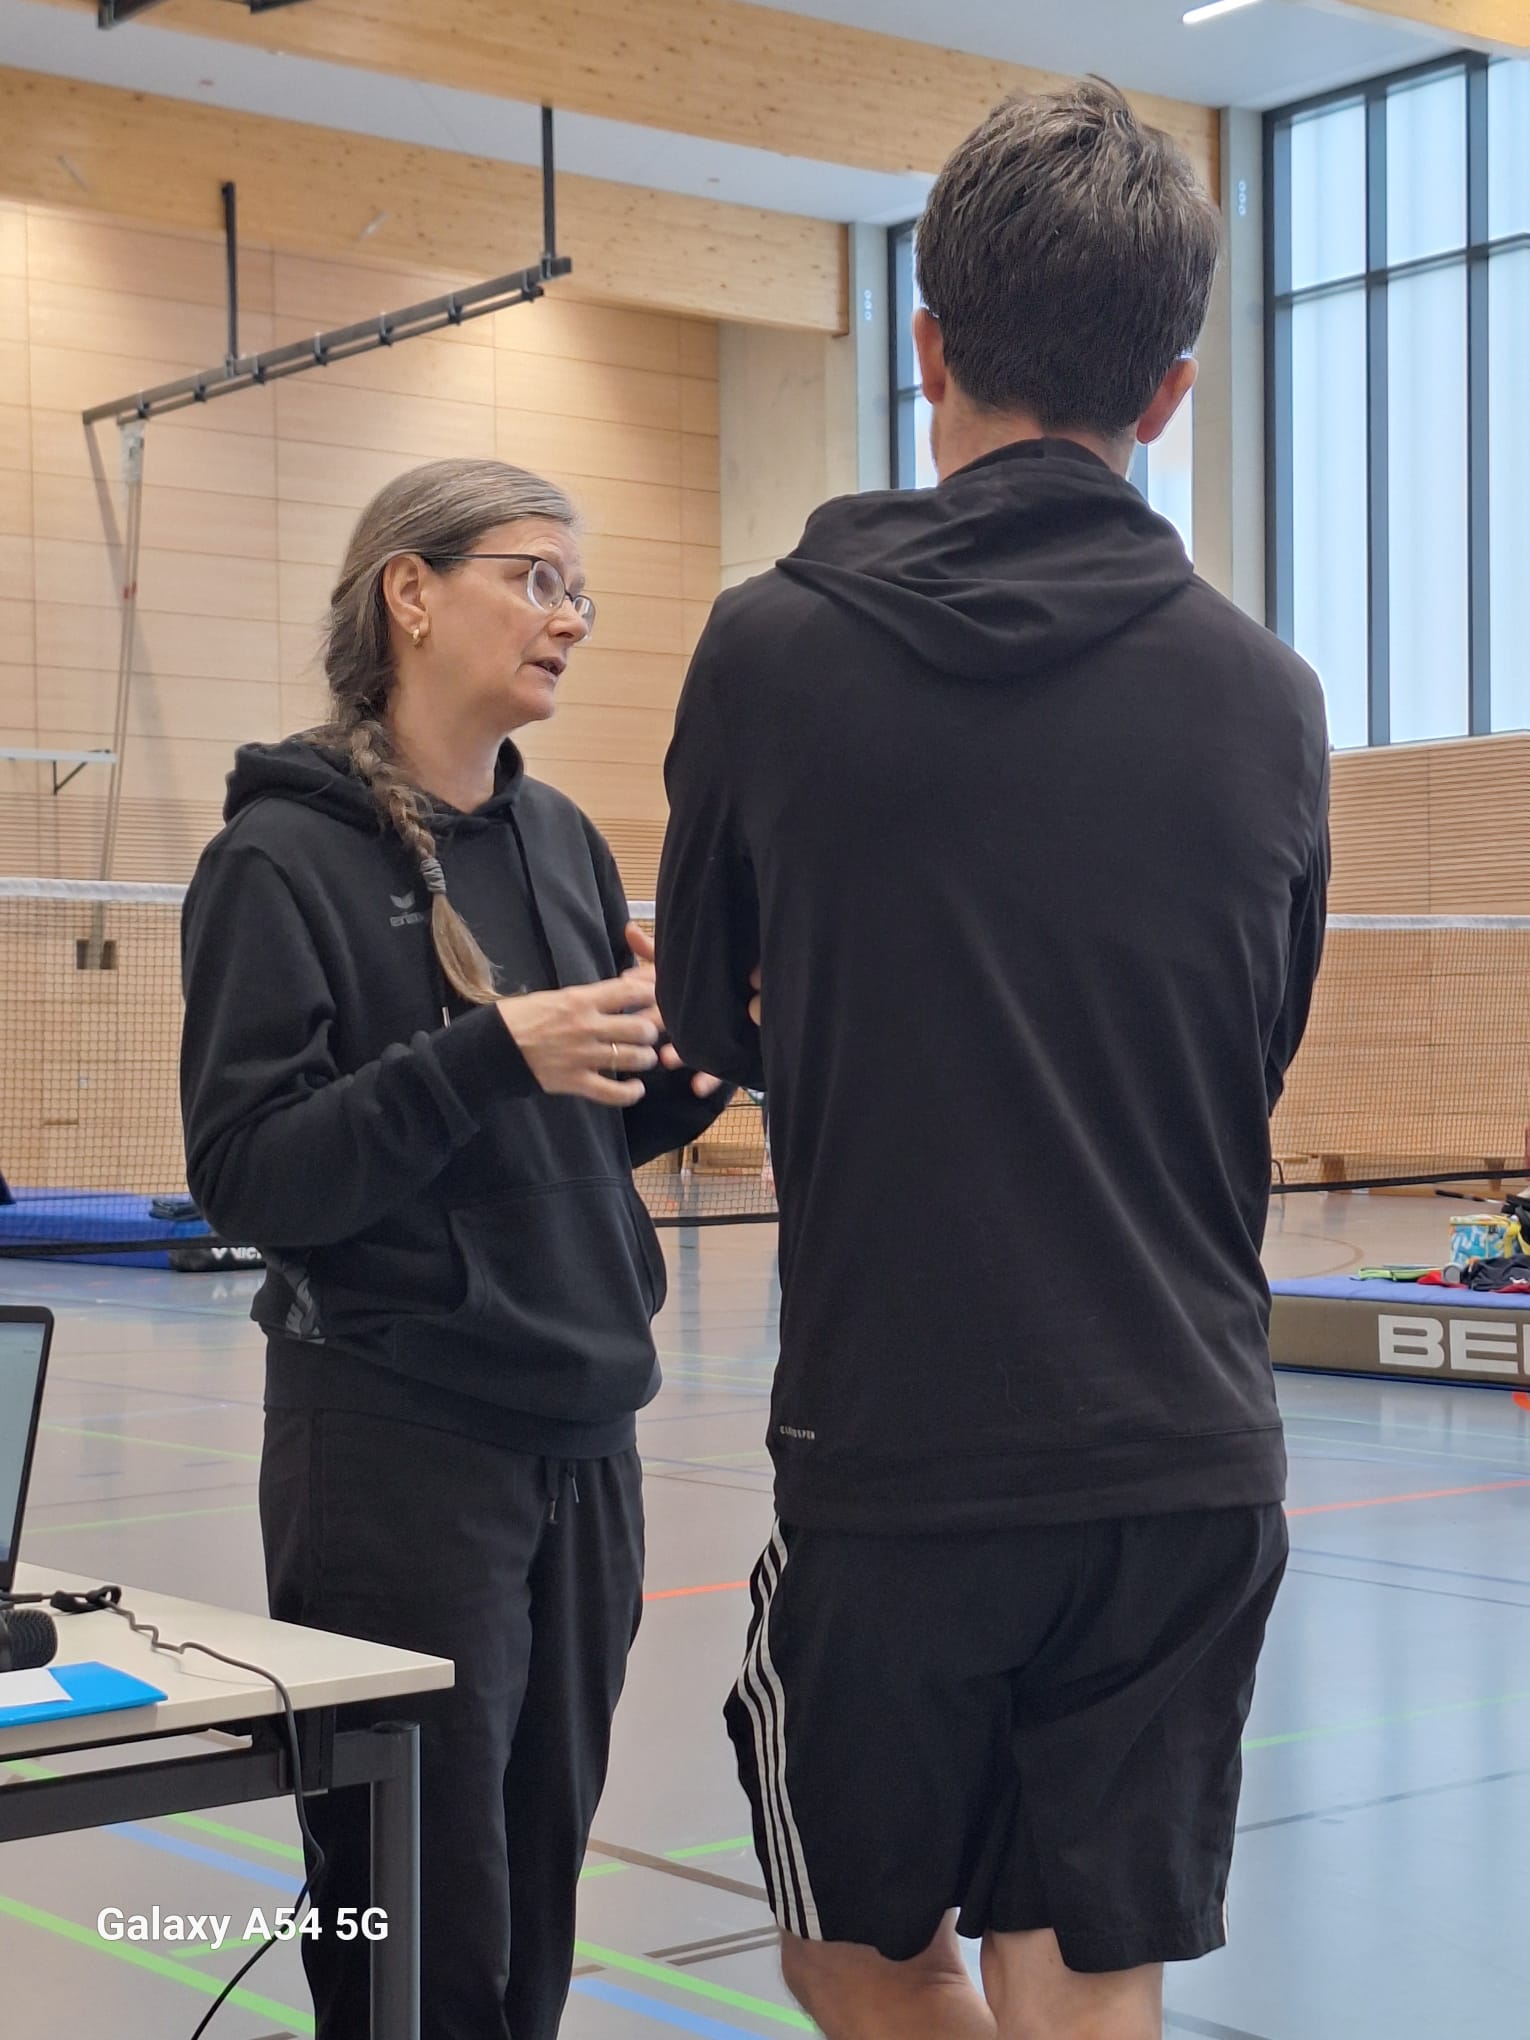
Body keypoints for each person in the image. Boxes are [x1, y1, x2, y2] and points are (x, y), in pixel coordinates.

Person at [656, 81, 1329, 2040]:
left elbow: (708, 1022)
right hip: (1185, 1453)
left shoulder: (769, 649)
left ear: (927, 346)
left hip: (905, 1457)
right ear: (1173, 394)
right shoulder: (1269, 695)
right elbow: (1256, 1038)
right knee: (1083, 1968)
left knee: (858, 1951)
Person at [180, 458, 731, 2040]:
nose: (569, 617)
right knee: (418, 1921)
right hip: (396, 1448)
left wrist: (690, 1065)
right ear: (409, 593)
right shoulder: (276, 860)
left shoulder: (560, 840)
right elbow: (249, 1175)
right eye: (534, 577)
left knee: (532, 1904)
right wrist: (488, 1053)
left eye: (579, 590)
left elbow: (571, 1132)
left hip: (583, 1441)